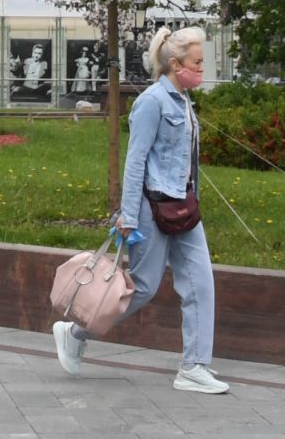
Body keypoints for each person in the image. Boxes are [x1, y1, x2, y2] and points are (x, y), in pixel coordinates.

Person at [53, 25, 225, 395]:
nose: (202, 69)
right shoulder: (152, 102)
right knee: (142, 288)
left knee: (201, 284)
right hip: (152, 208)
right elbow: (135, 163)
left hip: (184, 208)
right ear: (176, 64)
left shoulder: (183, 101)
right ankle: (75, 331)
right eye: (197, 63)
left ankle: (194, 367)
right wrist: (128, 216)